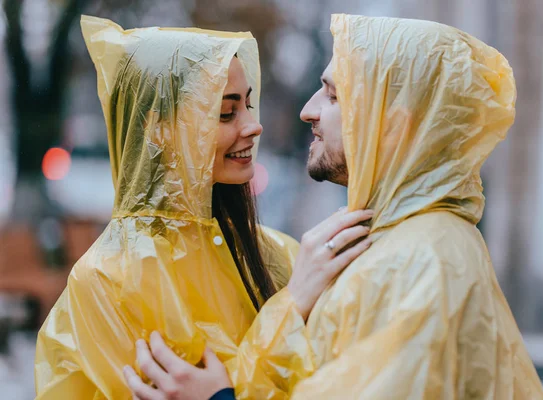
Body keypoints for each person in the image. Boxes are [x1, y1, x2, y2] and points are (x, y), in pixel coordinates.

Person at [126, 14, 543, 400]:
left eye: (332, 96)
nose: (308, 111)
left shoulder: (421, 262)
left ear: (393, 125)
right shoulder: (395, 243)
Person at [34, 16, 372, 400]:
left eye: (248, 104)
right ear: (158, 127)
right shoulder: (108, 280)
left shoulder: (281, 254)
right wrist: (290, 309)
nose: (254, 125)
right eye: (226, 112)